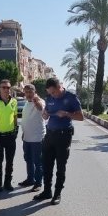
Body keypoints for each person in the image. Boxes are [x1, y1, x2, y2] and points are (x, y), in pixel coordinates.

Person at [33, 77, 83, 205]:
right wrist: (45, 114)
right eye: (50, 93)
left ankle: (57, 193)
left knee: (60, 166)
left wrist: (66, 114)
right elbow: (46, 113)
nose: (52, 95)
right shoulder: (49, 97)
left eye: (54, 92)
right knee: (46, 165)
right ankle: (47, 191)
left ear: (60, 87)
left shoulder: (71, 97)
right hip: (49, 135)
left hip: (63, 135)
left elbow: (81, 116)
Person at [0, 79, 19, 192]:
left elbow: (15, 117)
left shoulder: (14, 102)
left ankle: (7, 183)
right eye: (4, 87)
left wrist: (16, 130)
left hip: (10, 136)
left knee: (10, 162)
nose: (6, 89)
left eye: (8, 87)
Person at [18, 83, 46, 191]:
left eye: (30, 92)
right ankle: (30, 179)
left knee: (38, 162)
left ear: (34, 92)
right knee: (28, 159)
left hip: (37, 138)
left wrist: (36, 100)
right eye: (26, 92)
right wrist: (24, 133)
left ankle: (38, 183)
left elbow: (40, 109)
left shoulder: (40, 101)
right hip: (27, 138)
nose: (28, 94)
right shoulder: (26, 104)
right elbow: (26, 120)